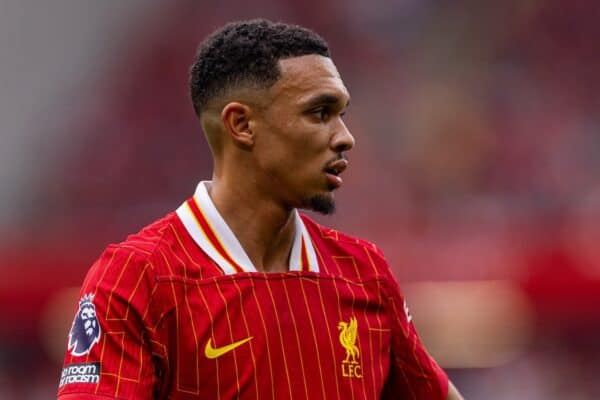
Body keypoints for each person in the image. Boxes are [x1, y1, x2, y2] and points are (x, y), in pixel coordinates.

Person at [57, 19, 464, 399]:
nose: (345, 137)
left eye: (342, 114)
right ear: (242, 125)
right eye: (320, 113)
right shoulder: (136, 280)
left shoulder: (364, 273)